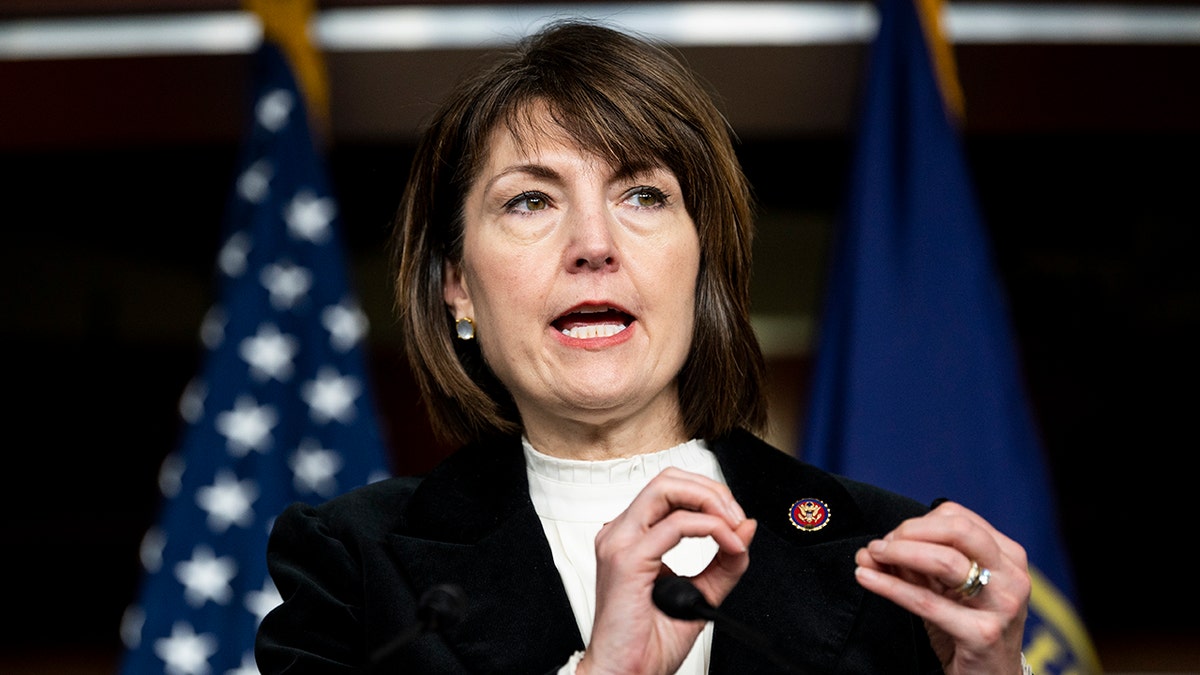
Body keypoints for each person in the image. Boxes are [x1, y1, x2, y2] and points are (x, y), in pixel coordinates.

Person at [255, 19, 1032, 675]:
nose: (593, 244)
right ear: (457, 284)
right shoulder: (350, 568)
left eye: (642, 195)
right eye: (530, 200)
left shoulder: (887, 558)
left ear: (702, 262)